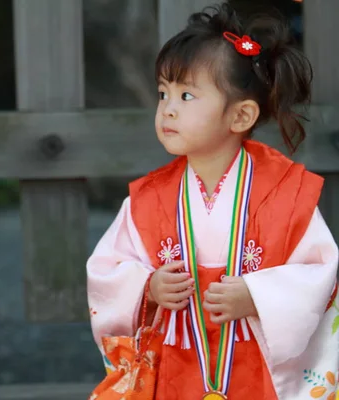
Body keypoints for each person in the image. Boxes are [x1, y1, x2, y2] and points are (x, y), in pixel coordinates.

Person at [86, 4, 339, 399]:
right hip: (175, 365)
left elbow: (319, 275)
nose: (167, 108)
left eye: (186, 95)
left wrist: (257, 295)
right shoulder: (148, 199)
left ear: (240, 116)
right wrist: (148, 287)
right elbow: (108, 271)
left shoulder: (287, 194)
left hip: (256, 368)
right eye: (162, 93)